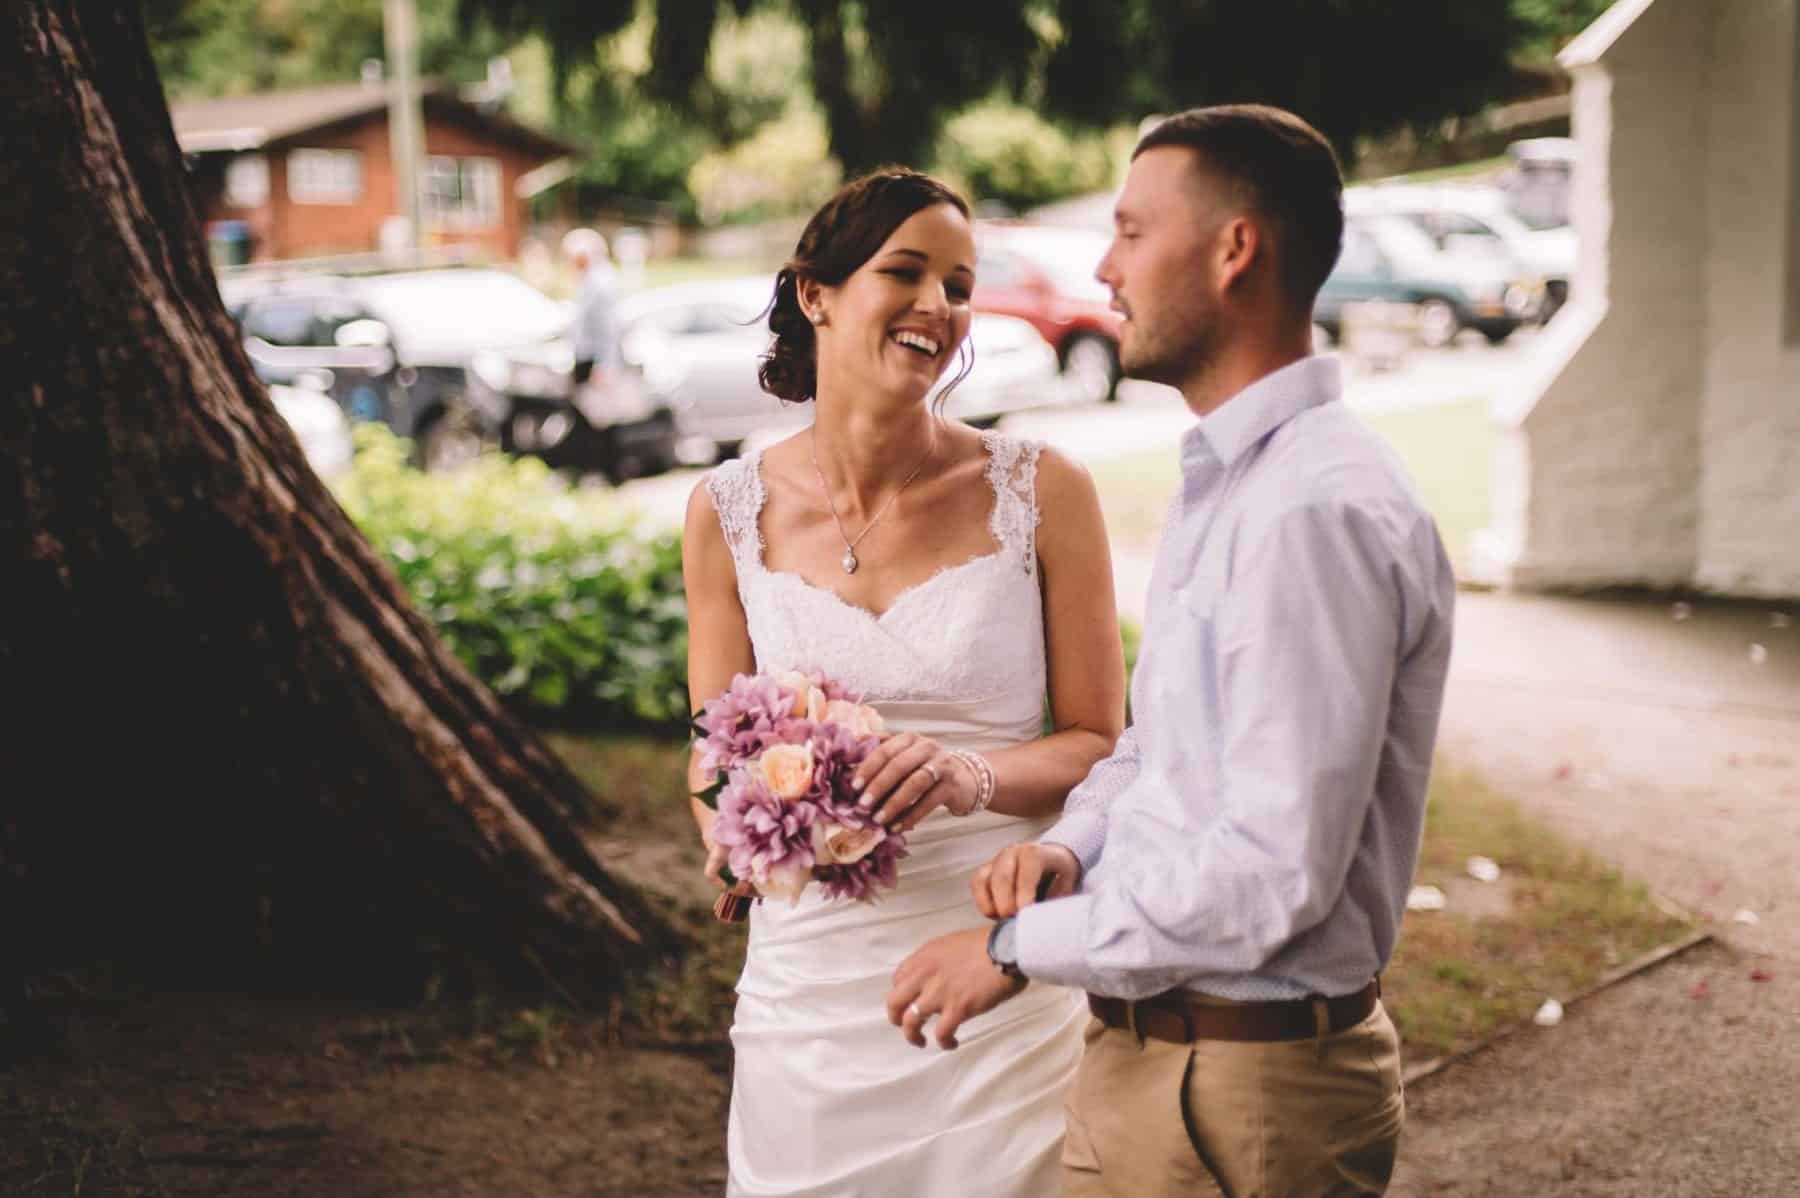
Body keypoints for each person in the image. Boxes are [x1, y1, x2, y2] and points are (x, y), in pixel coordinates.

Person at [888, 106, 1457, 1196]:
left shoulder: (1312, 508)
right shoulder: (1233, 478)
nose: (1104, 269)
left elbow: (1273, 870)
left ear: (1235, 249)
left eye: (1133, 231)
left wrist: (1013, 950)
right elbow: (1167, 746)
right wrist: (1077, 847)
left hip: (1240, 1091)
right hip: (1164, 1063)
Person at [682, 168, 1127, 1196]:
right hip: (811, 983)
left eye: (960, 285)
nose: (941, 306)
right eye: (907, 272)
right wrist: (730, 836)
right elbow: (714, 746)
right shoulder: (725, 508)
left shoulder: (1042, 490)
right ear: (816, 293)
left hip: (993, 958)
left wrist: (967, 775)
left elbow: (1101, 740)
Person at [562, 226, 618, 384]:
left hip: (593, 359)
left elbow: (608, 327)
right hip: (585, 356)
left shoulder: (599, 284)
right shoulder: (589, 280)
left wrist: (605, 364)